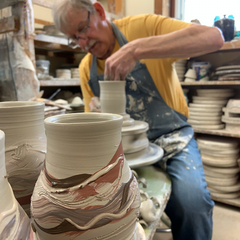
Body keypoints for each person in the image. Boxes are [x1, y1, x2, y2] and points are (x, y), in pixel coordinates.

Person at [52, 1, 224, 239]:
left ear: (100, 11)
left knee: (192, 203)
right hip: (125, 149)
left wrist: (138, 49)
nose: (82, 42)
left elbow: (214, 38)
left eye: (83, 29)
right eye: (74, 38)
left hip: (172, 136)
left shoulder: (143, 27)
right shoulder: (85, 68)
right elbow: (98, 128)